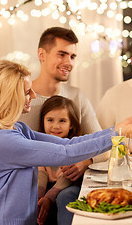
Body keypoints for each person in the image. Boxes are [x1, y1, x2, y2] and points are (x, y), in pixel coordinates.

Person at [0, 60, 111, 224]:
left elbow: (67, 145)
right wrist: (116, 134)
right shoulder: (2, 141)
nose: (34, 96)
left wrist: (115, 131)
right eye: (28, 92)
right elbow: (66, 154)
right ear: (9, 96)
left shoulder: (18, 129)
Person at [19, 27, 104, 224]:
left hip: (66, 184)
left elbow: (104, 145)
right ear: (42, 54)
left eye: (73, 56)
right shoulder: (19, 97)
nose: (69, 62)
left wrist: (85, 162)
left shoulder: (77, 97)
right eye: (62, 54)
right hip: (29, 184)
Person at [37, 96, 82, 225]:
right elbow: (41, 173)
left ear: (71, 124)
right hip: (46, 187)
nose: (55, 126)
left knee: (65, 195)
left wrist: (48, 198)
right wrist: (40, 197)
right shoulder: (40, 144)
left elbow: (67, 177)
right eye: (50, 120)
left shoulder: (73, 146)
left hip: (67, 187)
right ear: (43, 121)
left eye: (62, 121)